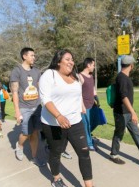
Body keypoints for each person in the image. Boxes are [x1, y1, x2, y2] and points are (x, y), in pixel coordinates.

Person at [39, 49, 93, 187]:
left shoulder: (75, 76)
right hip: (53, 123)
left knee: (84, 153)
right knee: (56, 152)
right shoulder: (49, 75)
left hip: (75, 122)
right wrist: (59, 116)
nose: (71, 62)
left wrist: (81, 107)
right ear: (58, 61)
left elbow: (77, 94)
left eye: (72, 59)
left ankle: (89, 185)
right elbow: (45, 99)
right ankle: (56, 179)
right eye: (67, 59)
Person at [10, 47, 45, 167]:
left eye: (34, 55)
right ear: (24, 56)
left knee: (35, 133)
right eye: (32, 55)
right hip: (24, 108)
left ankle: (34, 157)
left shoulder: (37, 71)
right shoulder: (17, 71)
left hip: (37, 107)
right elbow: (14, 92)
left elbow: (41, 88)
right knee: (26, 133)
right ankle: (19, 146)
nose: (34, 57)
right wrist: (17, 111)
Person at [79, 57, 100, 151]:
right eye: (93, 65)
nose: (94, 67)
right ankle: (89, 143)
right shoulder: (80, 76)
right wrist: (82, 106)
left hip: (92, 105)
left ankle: (84, 136)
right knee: (86, 125)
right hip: (84, 106)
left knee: (96, 121)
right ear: (88, 65)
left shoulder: (91, 76)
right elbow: (78, 93)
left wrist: (96, 98)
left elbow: (92, 89)